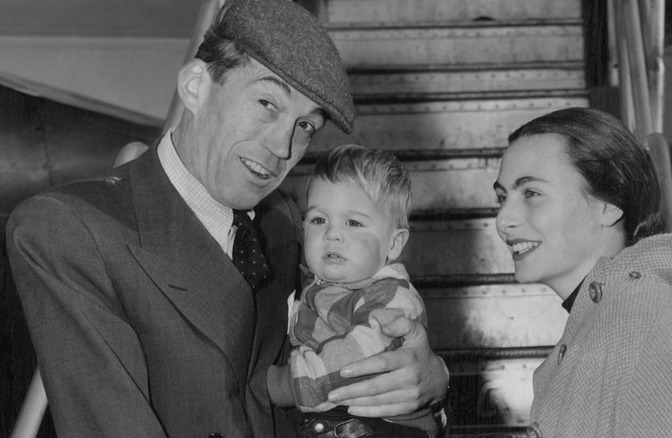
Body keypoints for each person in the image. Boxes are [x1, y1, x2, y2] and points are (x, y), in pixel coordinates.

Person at [5, 1, 448, 437]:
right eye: (267, 103)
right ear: (197, 86)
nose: (282, 147)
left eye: (305, 126)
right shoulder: (70, 229)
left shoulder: (286, 225)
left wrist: (429, 384)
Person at [493, 107, 672, 437]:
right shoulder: (610, 323)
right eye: (501, 197)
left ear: (609, 204)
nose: (503, 219)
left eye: (532, 193)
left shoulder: (665, 334)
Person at [266, 144, 439, 437]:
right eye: (319, 220)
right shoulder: (315, 285)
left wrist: (281, 384)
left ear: (394, 244)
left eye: (353, 222)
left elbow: (354, 361)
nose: (332, 233)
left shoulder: (391, 297)